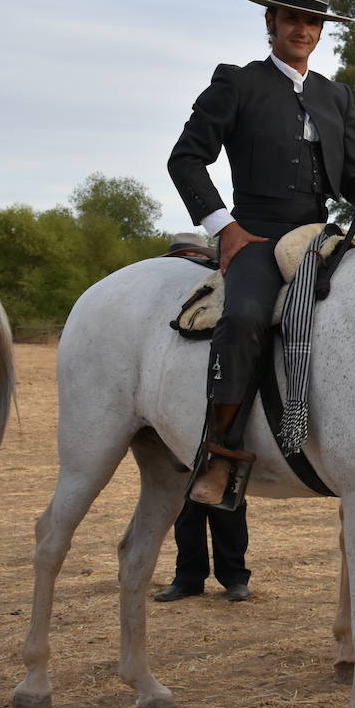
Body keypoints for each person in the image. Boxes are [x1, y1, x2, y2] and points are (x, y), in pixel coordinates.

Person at [167, 0, 355, 507]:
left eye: (312, 22)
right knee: (244, 316)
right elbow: (186, 159)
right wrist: (225, 228)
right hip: (257, 237)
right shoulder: (237, 83)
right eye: (292, 18)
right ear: (271, 22)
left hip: (321, 236)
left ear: (320, 31)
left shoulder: (335, 96)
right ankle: (220, 453)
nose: (303, 29)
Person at [155, 235, 252, 602]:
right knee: (192, 500)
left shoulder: (224, 291)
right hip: (184, 409)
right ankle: (192, 576)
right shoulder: (186, 300)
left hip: (220, 403)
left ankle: (231, 576)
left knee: (223, 492)